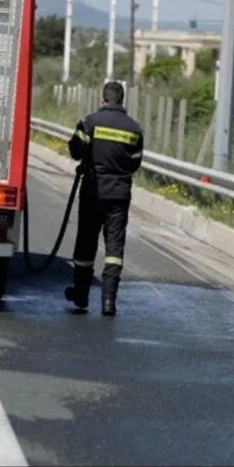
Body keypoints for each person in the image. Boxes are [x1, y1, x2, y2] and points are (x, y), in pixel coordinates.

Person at [64, 81, 144, 316]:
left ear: (103, 99)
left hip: (92, 189)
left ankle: (81, 296)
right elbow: (135, 162)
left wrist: (89, 156)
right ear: (121, 101)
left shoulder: (90, 122)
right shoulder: (134, 129)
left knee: (86, 243)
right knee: (114, 248)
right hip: (119, 194)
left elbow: (75, 150)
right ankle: (109, 302)